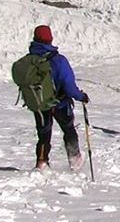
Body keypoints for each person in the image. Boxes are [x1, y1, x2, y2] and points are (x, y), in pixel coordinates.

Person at [22, 25, 89, 170]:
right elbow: (69, 85)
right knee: (68, 129)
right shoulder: (59, 60)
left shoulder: (29, 60)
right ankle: (75, 158)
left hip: (39, 104)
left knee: (44, 134)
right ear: (50, 39)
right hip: (60, 103)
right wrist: (81, 96)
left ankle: (41, 162)